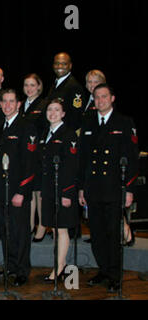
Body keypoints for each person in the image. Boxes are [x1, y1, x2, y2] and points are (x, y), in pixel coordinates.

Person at [78, 83, 139, 293]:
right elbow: (83, 160)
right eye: (97, 97)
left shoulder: (124, 122)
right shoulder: (87, 122)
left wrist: (129, 189)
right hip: (93, 189)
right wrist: (81, 189)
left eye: (104, 97)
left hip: (114, 188)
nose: (100, 100)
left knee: (113, 235)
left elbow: (132, 159)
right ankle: (103, 270)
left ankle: (115, 275)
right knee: (97, 233)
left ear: (112, 98)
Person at [0, 89, 37, 287]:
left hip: (18, 191)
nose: (8, 105)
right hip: (2, 190)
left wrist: (22, 191)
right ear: (0, 104)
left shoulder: (26, 126)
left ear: (19, 104)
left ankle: (22, 270)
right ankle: (10, 265)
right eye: (5, 102)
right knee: (6, 231)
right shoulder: (0, 126)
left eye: (12, 101)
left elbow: (30, 163)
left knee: (20, 232)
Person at [37, 99, 79, 283]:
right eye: (49, 110)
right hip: (48, 189)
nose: (52, 113)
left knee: (61, 230)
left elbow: (71, 167)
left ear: (63, 114)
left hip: (62, 191)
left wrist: (67, 193)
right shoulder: (46, 133)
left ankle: (60, 267)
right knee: (54, 229)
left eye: (56, 110)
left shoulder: (68, 135)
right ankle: (58, 264)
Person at [20, 73, 46, 241]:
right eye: (26, 85)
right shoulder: (20, 105)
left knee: (39, 192)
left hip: (38, 154)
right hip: (24, 155)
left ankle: (42, 226)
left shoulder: (44, 105)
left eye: (32, 85)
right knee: (28, 192)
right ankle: (29, 225)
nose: (29, 88)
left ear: (38, 86)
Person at [45, 52, 86, 131]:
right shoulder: (55, 85)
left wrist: (66, 136)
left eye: (64, 64)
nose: (60, 66)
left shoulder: (74, 86)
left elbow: (76, 117)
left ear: (70, 66)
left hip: (65, 135)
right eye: (57, 63)